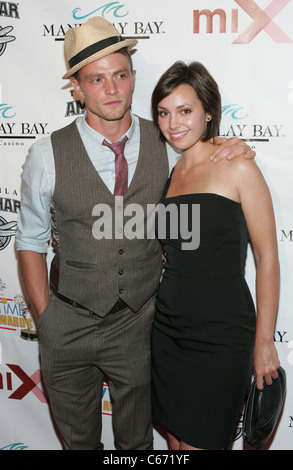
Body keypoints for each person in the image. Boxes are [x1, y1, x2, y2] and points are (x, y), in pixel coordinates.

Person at [15, 18, 255, 451]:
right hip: (66, 324)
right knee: (78, 444)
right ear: (76, 87)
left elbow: (204, 156)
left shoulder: (167, 143)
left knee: (137, 446)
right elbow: (30, 241)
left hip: (140, 326)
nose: (111, 90)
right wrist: (45, 319)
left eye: (120, 75)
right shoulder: (46, 154)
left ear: (133, 77)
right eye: (96, 79)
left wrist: (232, 145)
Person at [150, 61, 280, 450]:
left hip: (221, 337)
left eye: (185, 111)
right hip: (168, 331)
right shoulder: (169, 173)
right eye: (164, 112)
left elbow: (268, 257)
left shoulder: (237, 164)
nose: (173, 123)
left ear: (208, 111)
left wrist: (264, 341)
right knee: (175, 443)